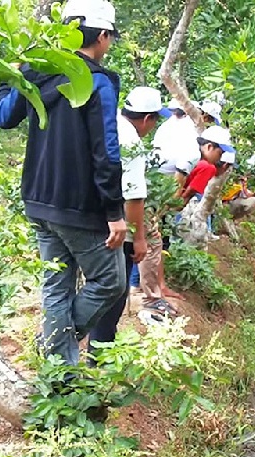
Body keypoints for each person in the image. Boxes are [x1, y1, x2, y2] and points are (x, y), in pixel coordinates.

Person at [0, 0, 125, 366]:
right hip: (80, 206)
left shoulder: (37, 73)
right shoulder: (97, 82)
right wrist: (115, 211)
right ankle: (55, 344)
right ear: (102, 36)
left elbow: (4, 117)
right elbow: (106, 152)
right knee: (111, 281)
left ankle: (60, 375)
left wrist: (6, 77)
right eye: (110, 37)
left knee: (56, 286)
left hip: (38, 199)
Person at [89, 87, 172, 351]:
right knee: (115, 290)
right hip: (116, 226)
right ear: (147, 119)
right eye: (156, 119)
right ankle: (100, 352)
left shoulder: (105, 122)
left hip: (86, 218)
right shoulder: (132, 143)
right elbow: (134, 197)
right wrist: (138, 239)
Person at [177, 125, 235, 241]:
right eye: (220, 153)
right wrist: (177, 206)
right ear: (209, 147)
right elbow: (190, 191)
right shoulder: (208, 167)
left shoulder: (190, 152)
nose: (219, 158)